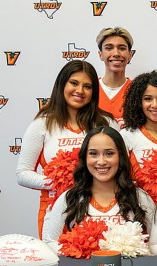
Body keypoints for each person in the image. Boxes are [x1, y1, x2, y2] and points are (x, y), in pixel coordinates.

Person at [16, 60, 117, 238]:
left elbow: (120, 163)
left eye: (87, 86)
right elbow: (22, 173)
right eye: (74, 83)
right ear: (62, 84)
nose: (80, 91)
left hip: (99, 209)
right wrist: (59, 182)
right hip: (53, 209)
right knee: (59, 262)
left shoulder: (106, 122)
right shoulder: (42, 124)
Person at [42, 126, 155, 244]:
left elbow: (154, 246)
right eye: (93, 154)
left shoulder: (140, 198)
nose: (101, 161)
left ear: (121, 157)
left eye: (109, 153)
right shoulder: (70, 198)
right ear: (85, 157)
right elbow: (50, 243)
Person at [95, 27, 134, 129]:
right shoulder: (90, 89)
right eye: (109, 48)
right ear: (100, 55)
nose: (116, 53)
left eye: (122, 48)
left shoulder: (138, 90)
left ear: (130, 55)